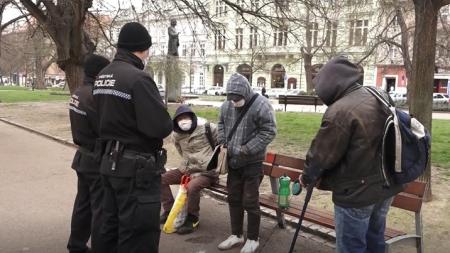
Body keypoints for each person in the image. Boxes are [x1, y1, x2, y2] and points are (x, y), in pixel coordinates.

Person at [299, 56, 403, 253]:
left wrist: (307, 177)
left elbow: (321, 156)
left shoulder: (340, 111)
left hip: (357, 192)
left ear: (330, 84)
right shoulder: (378, 94)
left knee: (350, 248)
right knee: (375, 242)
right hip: (385, 184)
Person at [93, 22, 173, 253]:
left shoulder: (103, 75)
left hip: (109, 162)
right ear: (142, 48)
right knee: (138, 233)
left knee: (110, 226)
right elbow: (159, 126)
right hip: (136, 169)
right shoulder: (138, 78)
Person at [217, 73, 277, 253]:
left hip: (252, 162)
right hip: (233, 162)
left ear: (245, 92)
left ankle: (253, 238)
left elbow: (269, 130)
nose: (234, 103)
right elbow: (221, 124)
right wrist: (222, 140)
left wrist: (247, 148)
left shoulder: (262, 105)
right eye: (231, 99)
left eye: (237, 99)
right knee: (233, 198)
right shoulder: (227, 105)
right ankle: (236, 235)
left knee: (250, 200)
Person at [67, 54, 110, 253]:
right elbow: (105, 128)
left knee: (82, 205)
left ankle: (76, 245)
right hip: (95, 158)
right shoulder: (94, 96)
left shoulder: (79, 92)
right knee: (99, 209)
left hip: (83, 156)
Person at [160, 105, 218, 234]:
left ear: (192, 117)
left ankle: (193, 218)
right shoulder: (176, 134)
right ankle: (169, 210)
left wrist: (209, 165)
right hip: (186, 169)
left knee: (191, 187)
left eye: (186, 117)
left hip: (207, 172)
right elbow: (180, 151)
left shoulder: (208, 128)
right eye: (180, 119)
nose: (183, 121)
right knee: (160, 179)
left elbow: (220, 146)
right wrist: (188, 166)